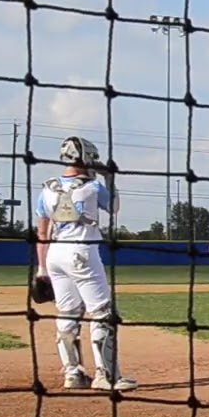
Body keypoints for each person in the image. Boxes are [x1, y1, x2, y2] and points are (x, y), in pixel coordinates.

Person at [34, 136, 138, 392]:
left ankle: (73, 374)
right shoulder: (93, 187)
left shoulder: (47, 189)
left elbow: (42, 233)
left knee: (68, 313)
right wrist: (110, 178)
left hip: (55, 255)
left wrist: (41, 269)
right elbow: (113, 207)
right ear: (86, 158)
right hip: (82, 252)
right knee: (103, 312)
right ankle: (107, 376)